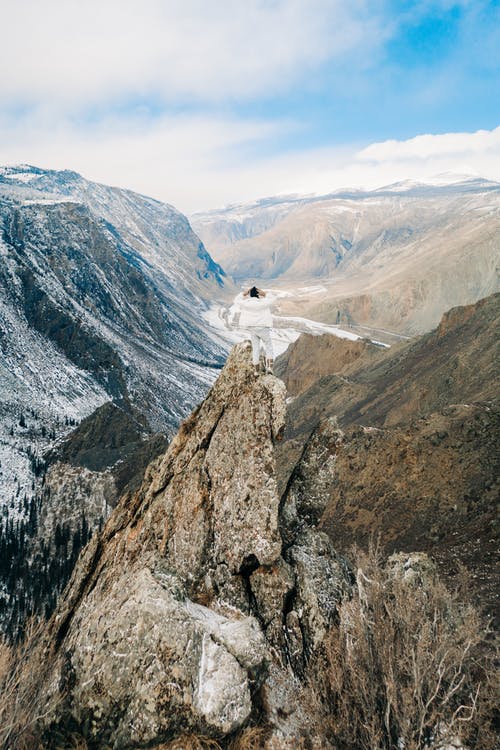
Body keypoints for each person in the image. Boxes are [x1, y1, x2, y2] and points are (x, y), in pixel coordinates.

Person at [233, 286, 276, 375]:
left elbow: (236, 300)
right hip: (263, 328)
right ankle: (269, 367)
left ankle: (256, 371)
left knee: (255, 348)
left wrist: (243, 294)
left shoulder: (246, 303)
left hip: (252, 328)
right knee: (268, 345)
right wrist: (264, 294)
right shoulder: (263, 302)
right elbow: (273, 298)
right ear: (258, 295)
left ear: (250, 295)